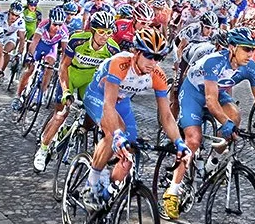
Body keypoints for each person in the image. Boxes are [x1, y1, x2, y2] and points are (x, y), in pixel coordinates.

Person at [163, 27, 255, 219]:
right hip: (194, 93)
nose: (251, 54)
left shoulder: (251, 68)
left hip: (217, 92)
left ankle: (211, 163)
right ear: (232, 48)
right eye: (246, 49)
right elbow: (210, 101)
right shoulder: (215, 62)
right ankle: (172, 191)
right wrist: (225, 123)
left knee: (236, 115)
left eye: (253, 49)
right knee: (193, 139)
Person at [80, 27, 187, 205]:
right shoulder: (119, 63)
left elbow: (166, 115)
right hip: (98, 97)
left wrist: (179, 142)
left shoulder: (157, 75)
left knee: (129, 149)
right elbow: (108, 104)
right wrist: (116, 135)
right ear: (136, 52)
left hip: (122, 103)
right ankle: (91, 184)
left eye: (158, 57)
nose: (153, 62)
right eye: (148, 55)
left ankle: (107, 197)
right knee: (115, 132)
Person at [32, 11, 118, 172]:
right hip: (71, 75)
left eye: (108, 32)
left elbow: (112, 77)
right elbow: (64, 66)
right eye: (101, 32)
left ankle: (82, 133)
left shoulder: (113, 49)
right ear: (92, 31)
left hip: (89, 80)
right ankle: (43, 150)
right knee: (62, 113)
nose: (105, 36)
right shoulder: (78, 40)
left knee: (95, 115)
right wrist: (66, 91)